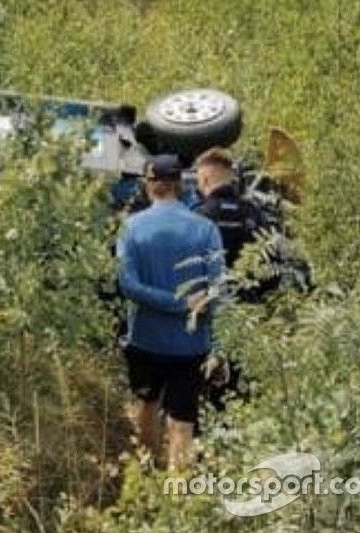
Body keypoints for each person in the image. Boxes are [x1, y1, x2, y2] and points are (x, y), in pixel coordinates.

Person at [117, 154, 224, 470]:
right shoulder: (206, 229)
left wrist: (170, 302)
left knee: (146, 406)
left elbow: (129, 285)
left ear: (149, 185)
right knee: (182, 419)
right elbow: (220, 289)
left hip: (146, 340)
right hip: (191, 344)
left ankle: (146, 480)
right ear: (179, 184)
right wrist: (217, 344)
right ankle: (179, 502)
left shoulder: (131, 228)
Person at [194, 147, 266, 268]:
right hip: (248, 285)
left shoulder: (198, 215)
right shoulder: (253, 212)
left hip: (211, 285)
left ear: (205, 180)